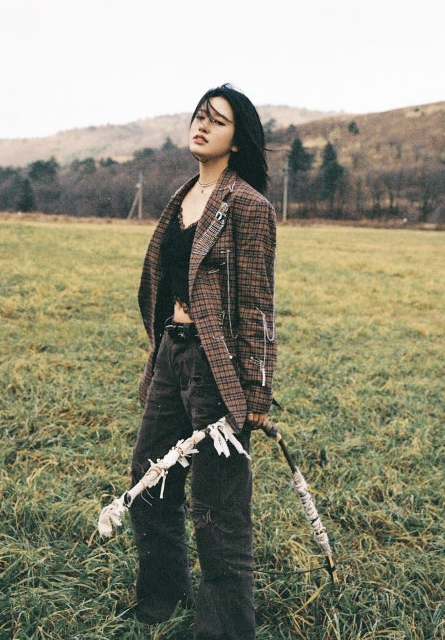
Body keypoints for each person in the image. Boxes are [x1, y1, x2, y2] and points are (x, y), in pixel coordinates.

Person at [129, 84, 277, 639]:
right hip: (172, 353)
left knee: (218, 508)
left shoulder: (249, 206)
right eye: (199, 115)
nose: (202, 125)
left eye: (217, 120)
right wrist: (159, 354)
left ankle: (225, 628)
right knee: (150, 478)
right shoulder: (182, 196)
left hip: (219, 368)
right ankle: (162, 596)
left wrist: (256, 393)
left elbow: (258, 305)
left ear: (237, 141)